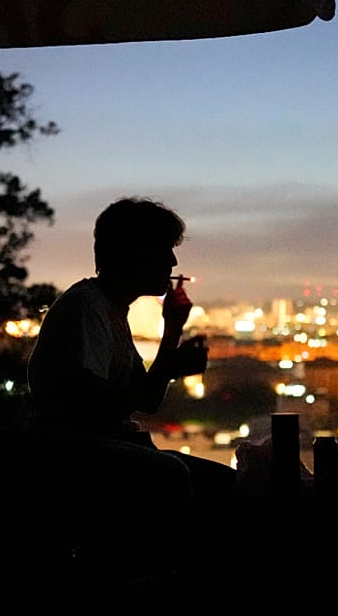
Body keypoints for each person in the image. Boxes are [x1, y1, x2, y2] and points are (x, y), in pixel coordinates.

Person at [26, 197, 235, 571]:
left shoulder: (110, 310)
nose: (172, 263)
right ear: (130, 253)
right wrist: (169, 365)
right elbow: (96, 407)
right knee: (214, 489)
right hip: (83, 462)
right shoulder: (87, 309)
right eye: (163, 251)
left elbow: (148, 400)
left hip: (104, 454)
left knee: (224, 484)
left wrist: (172, 330)